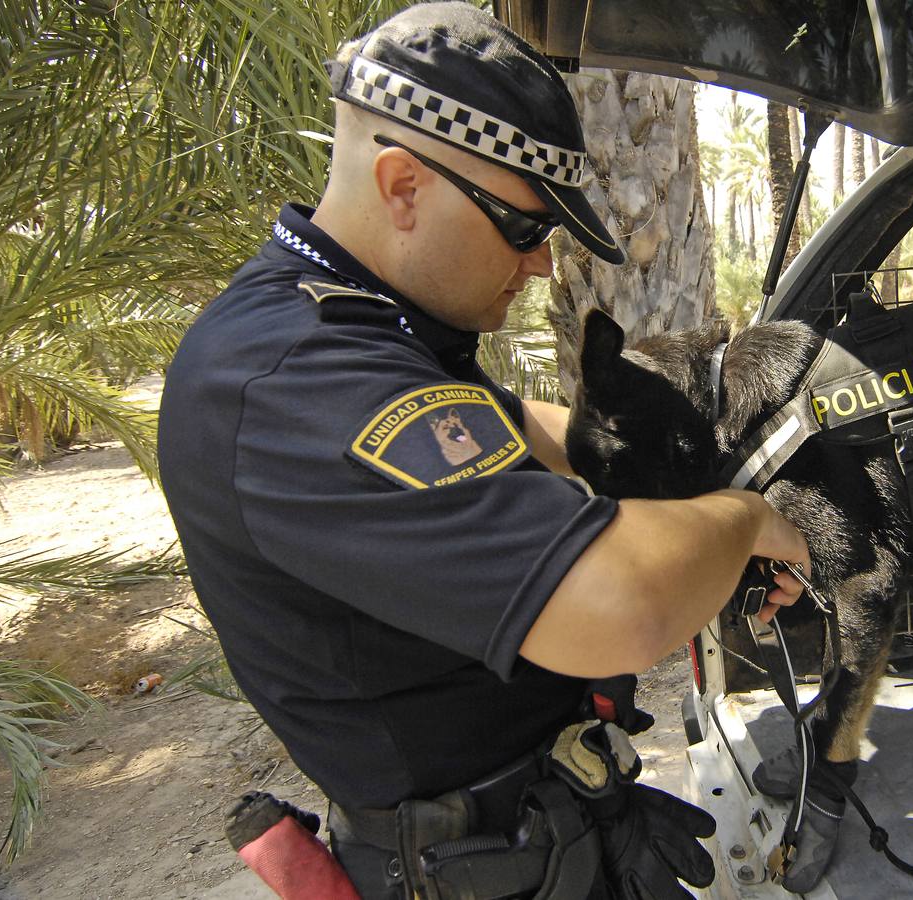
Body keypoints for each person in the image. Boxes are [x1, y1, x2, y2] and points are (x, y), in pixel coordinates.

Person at [157, 4, 810, 898]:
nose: (543, 265)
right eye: (524, 227)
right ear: (401, 185)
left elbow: (518, 429)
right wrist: (746, 519)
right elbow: (617, 604)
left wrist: (685, 468)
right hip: (479, 872)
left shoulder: (360, 323)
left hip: (541, 830)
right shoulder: (291, 379)